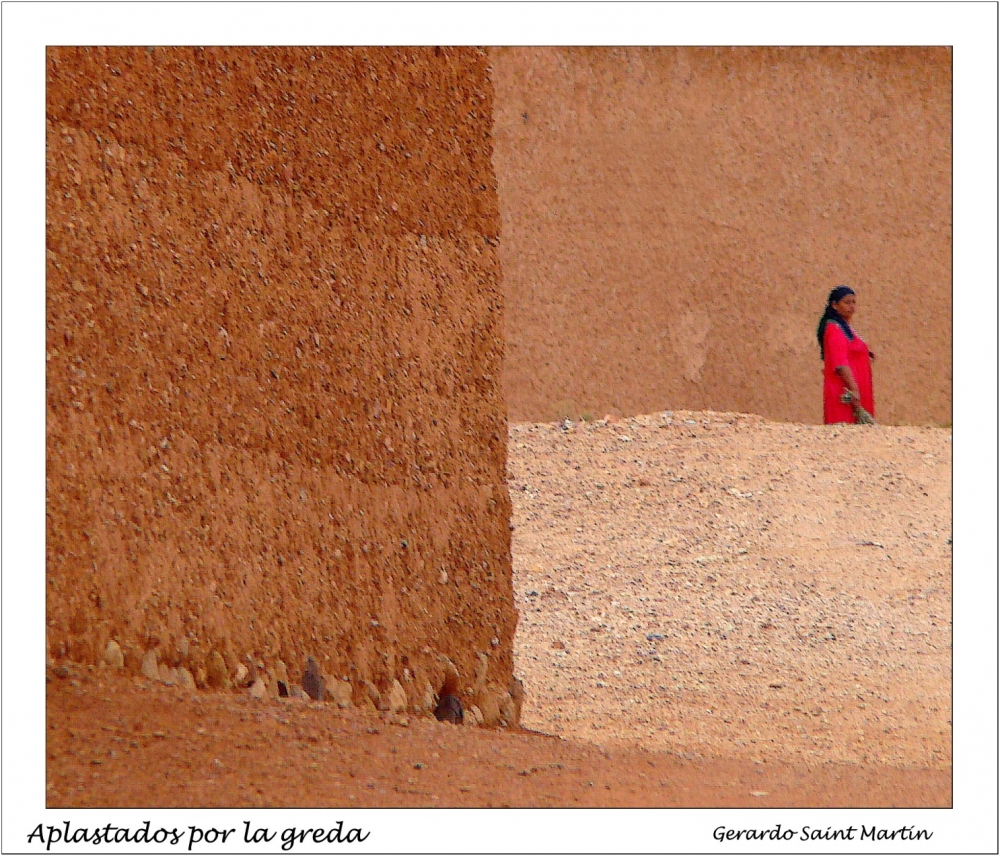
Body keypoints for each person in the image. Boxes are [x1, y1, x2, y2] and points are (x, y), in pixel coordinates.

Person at [817, 286, 875, 424]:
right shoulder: (834, 329)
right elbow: (840, 363)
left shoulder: (846, 328)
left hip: (857, 389)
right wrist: (854, 390)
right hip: (844, 392)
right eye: (847, 302)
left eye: (853, 302)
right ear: (835, 305)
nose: (852, 306)